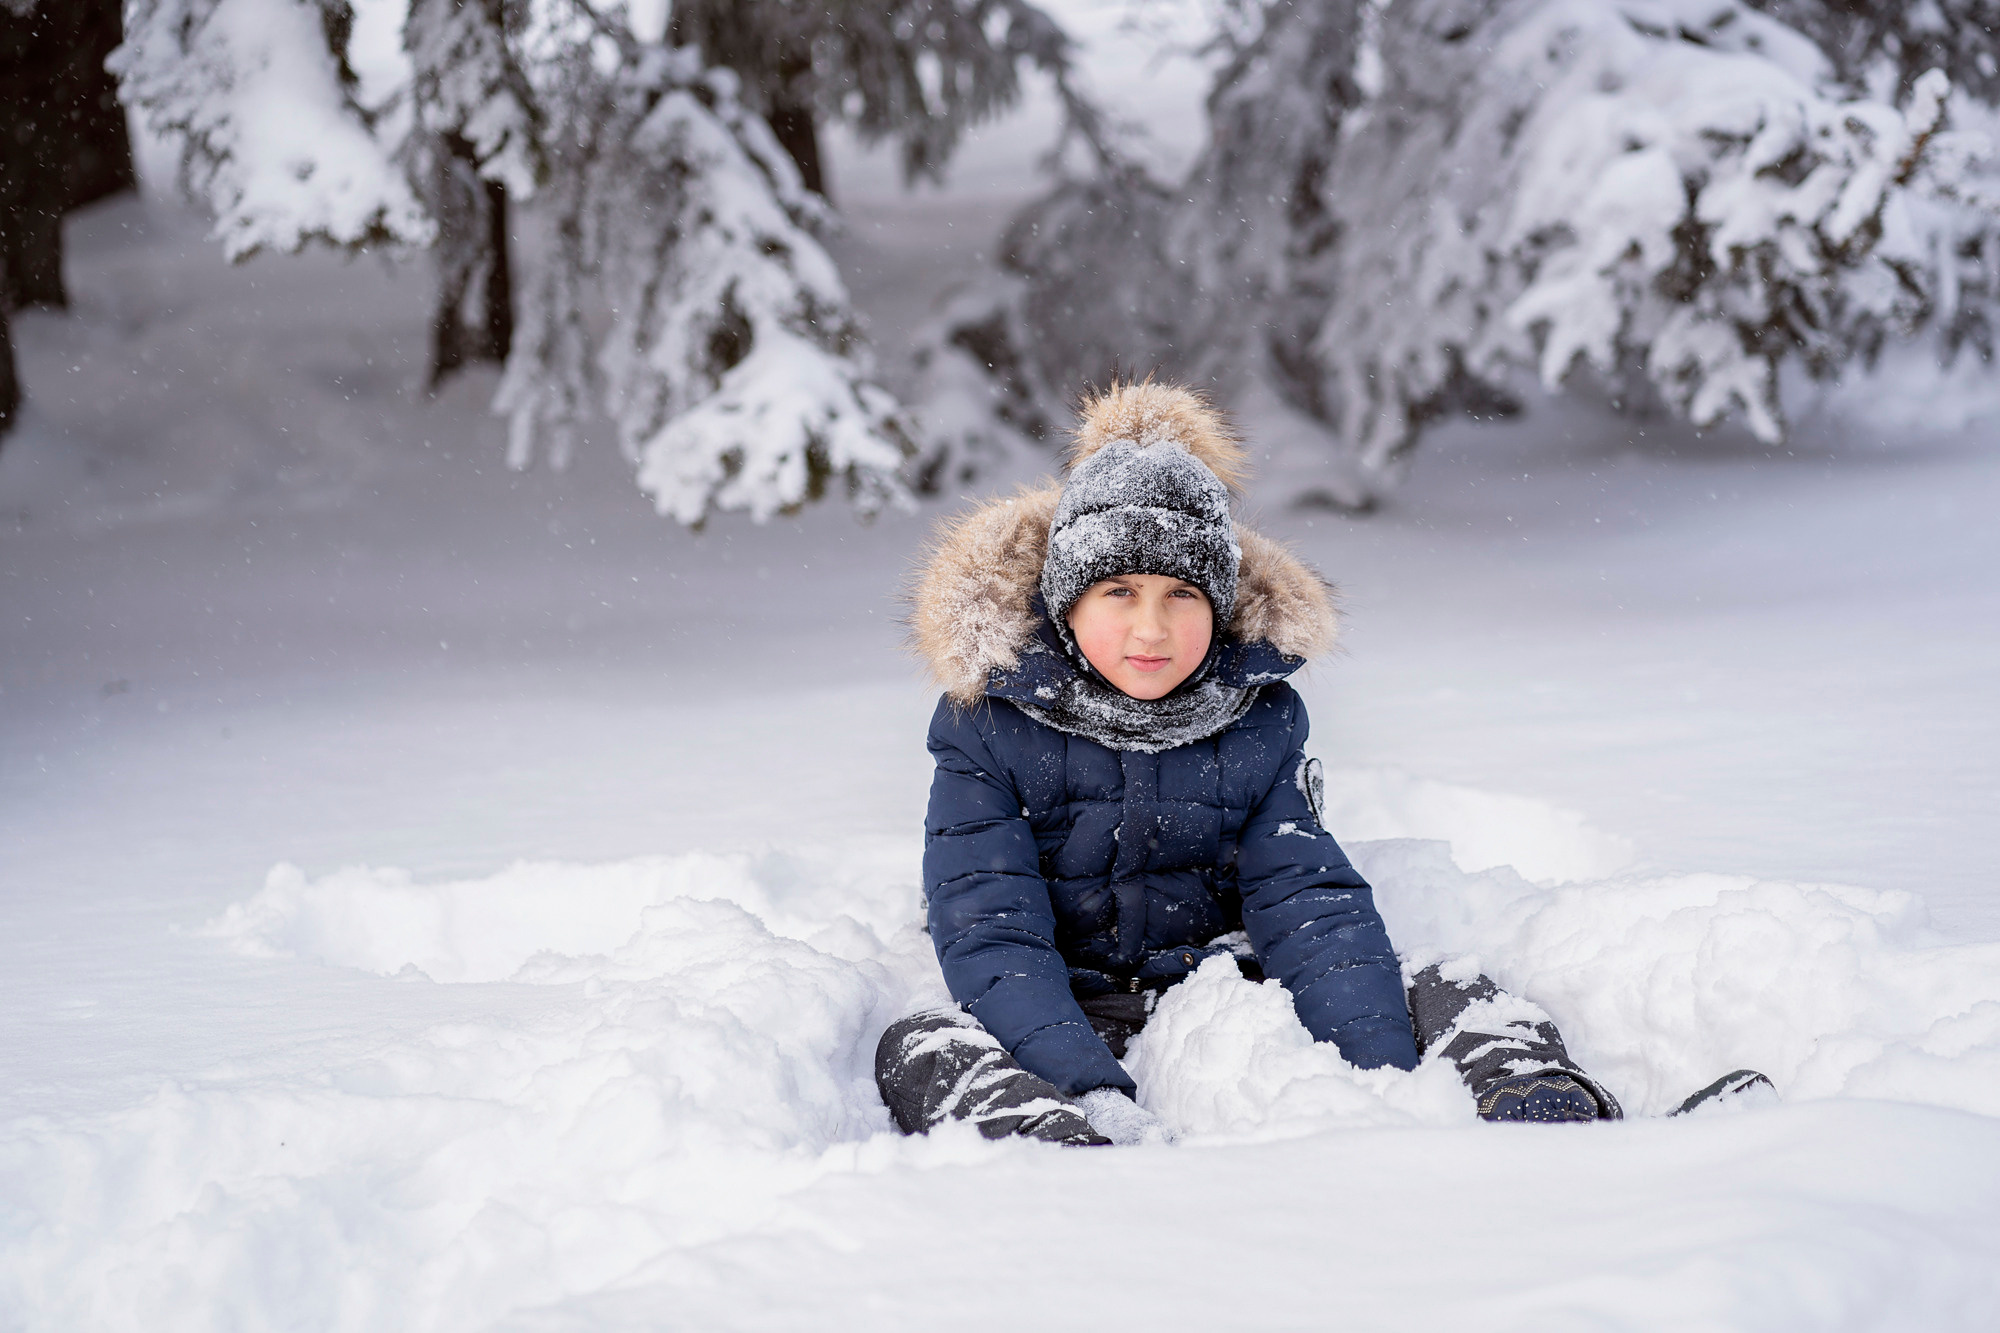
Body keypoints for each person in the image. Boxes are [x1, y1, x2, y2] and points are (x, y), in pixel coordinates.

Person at [878, 382, 1749, 1146]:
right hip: (1067, 1003)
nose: (1152, 629)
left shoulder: (1255, 722)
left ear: (1220, 608)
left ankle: (1534, 1101)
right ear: (1067, 603)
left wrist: (1383, 1074)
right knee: (920, 1042)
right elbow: (989, 925)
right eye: (1119, 593)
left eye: (1183, 595)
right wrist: (1081, 1078)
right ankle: (1061, 1135)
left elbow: (1307, 898)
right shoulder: (989, 726)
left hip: (1218, 985)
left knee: (1444, 983)